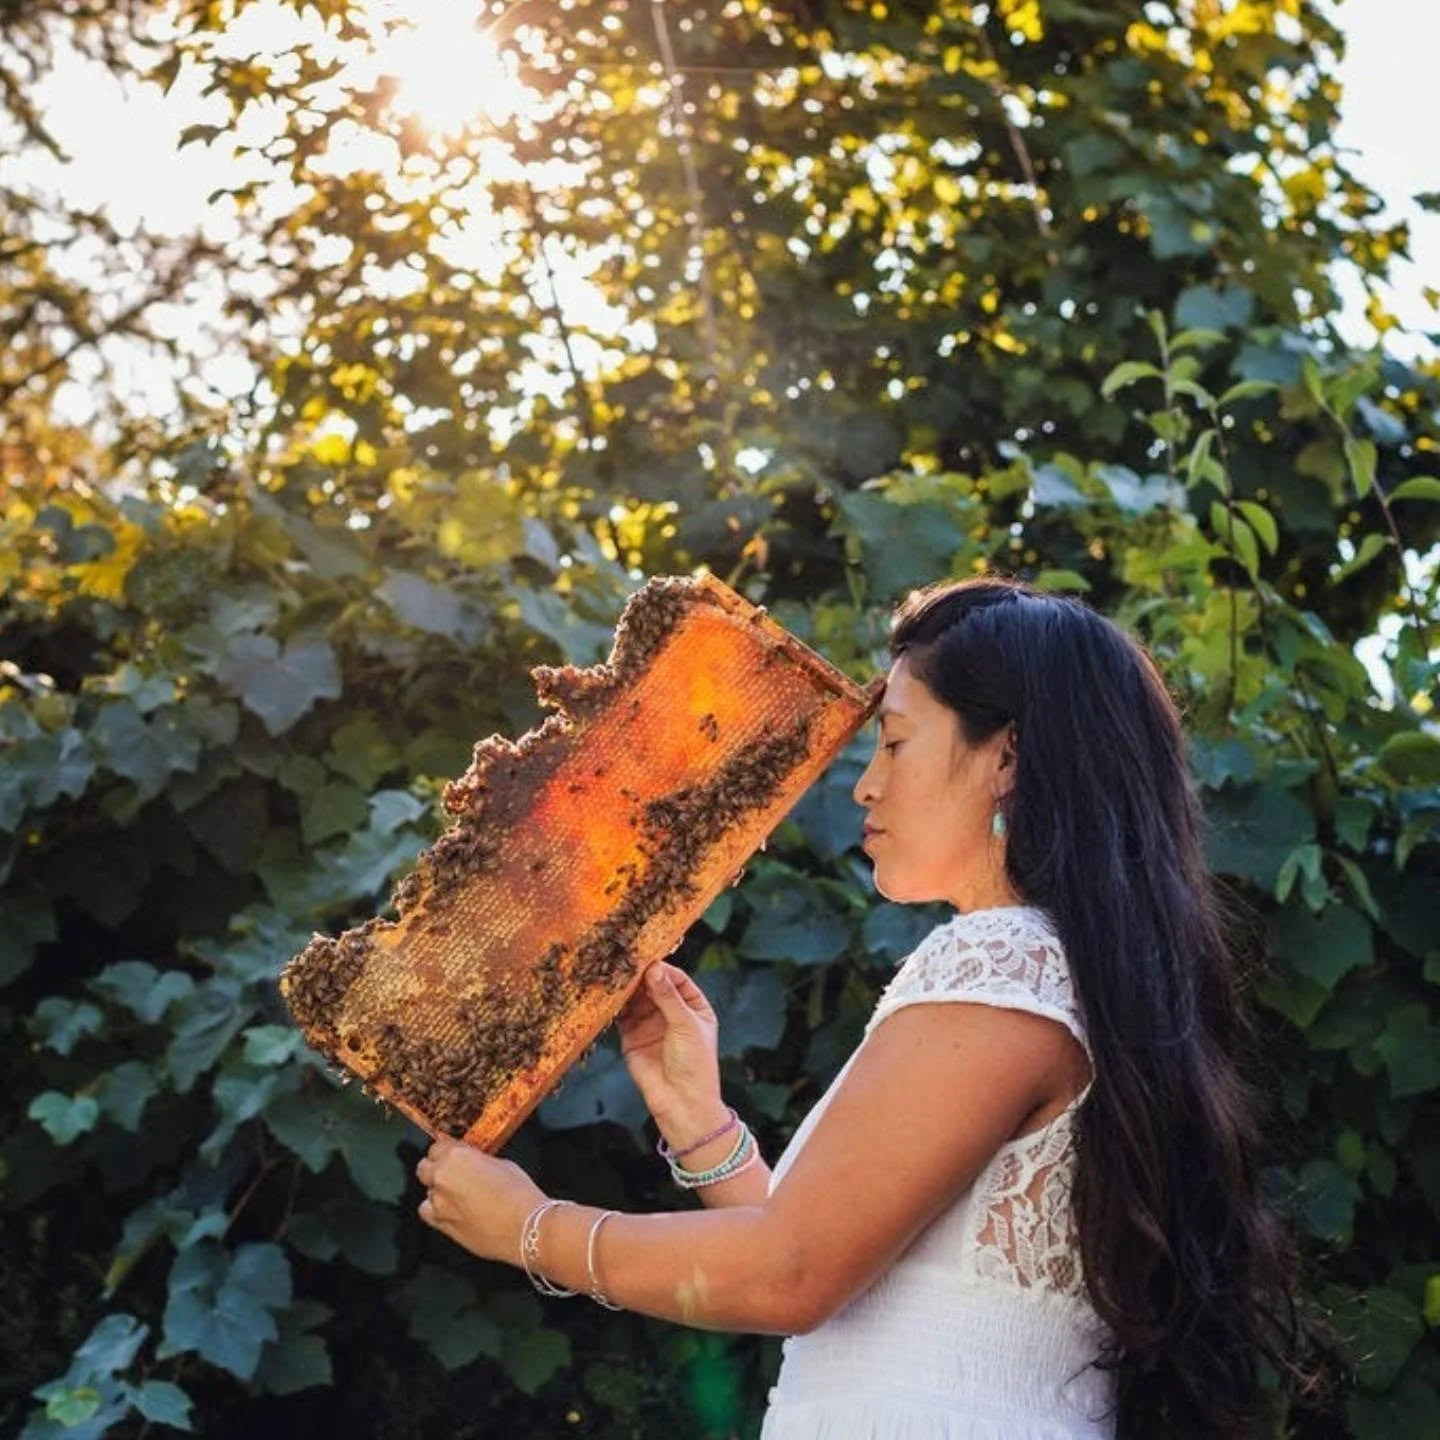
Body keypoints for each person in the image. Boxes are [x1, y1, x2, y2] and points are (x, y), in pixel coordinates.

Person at [414, 577, 1306, 1438]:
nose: (864, 785)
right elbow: (858, 1279)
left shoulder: (1002, 959)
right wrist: (698, 1119)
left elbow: (794, 1275)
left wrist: (532, 1230)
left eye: (895, 741)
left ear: (1008, 758)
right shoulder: (1058, 969)